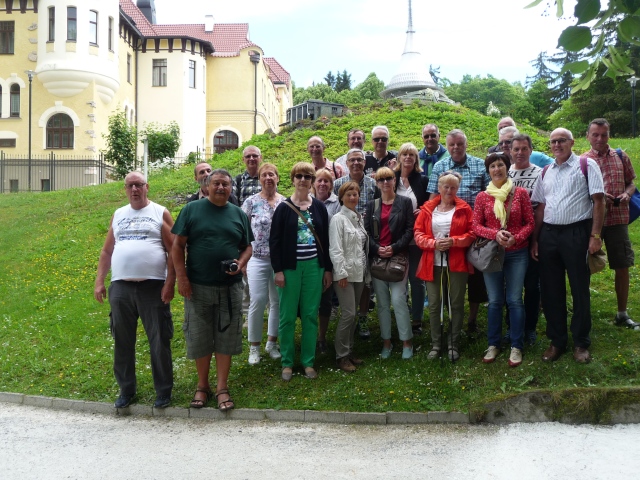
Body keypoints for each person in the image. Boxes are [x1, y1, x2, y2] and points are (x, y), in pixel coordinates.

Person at [172, 169, 253, 410]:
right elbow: (177, 246)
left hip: (230, 289)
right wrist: (182, 278)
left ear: (231, 188)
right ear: (206, 186)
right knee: (200, 337)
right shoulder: (191, 210)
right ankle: (202, 386)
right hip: (197, 287)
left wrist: (240, 263)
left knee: (226, 339)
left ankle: (222, 388)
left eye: (225, 185)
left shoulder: (238, 214)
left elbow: (247, 247)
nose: (221, 188)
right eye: (216, 184)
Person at [94, 171, 175, 409]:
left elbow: (174, 250)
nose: (134, 189)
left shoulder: (160, 212)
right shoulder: (118, 214)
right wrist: (100, 281)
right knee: (122, 340)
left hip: (153, 286)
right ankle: (126, 390)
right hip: (121, 287)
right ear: (125, 189)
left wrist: (170, 282)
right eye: (130, 186)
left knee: (159, 340)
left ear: (147, 187)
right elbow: (107, 251)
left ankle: (163, 391)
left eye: (138, 185)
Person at [531, 128, 605, 364]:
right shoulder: (546, 172)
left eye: (561, 140)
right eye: (553, 141)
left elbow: (599, 200)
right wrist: (535, 238)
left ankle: (581, 342)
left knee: (579, 288)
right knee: (551, 291)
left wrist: (595, 235)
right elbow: (541, 207)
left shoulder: (586, 165)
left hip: (577, 233)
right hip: (549, 235)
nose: (556, 145)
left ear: (572, 142)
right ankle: (557, 341)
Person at [270, 162, 332, 381]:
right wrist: (278, 270)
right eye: (299, 176)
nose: (303, 180)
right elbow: (274, 242)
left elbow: (325, 240)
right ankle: (287, 362)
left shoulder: (319, 208)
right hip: (289, 269)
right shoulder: (283, 208)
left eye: (308, 176)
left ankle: (308, 362)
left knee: (309, 315)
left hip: (314, 267)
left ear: (312, 180)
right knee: (287, 316)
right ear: (293, 179)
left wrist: (327, 270)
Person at [473, 152, 534, 367]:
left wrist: (515, 237)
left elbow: (530, 223)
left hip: (517, 253)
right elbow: (476, 225)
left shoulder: (520, 194)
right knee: (495, 300)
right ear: (488, 171)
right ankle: (494, 344)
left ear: (507, 167)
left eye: (500, 165)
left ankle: (516, 346)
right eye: (492, 166)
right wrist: (495, 234)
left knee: (515, 299)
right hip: (492, 254)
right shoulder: (482, 197)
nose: (497, 169)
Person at [428, 129, 490, 334]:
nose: (456, 148)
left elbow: (488, 198)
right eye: (452, 144)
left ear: (466, 144)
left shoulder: (480, 165)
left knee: (475, 279)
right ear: (447, 145)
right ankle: (449, 316)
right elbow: (432, 199)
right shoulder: (440, 166)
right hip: (446, 231)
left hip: (474, 231)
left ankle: (472, 318)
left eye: (460, 144)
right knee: (448, 276)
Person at [583, 118, 638, 330]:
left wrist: (626, 193)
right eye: (595, 134)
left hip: (618, 219)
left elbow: (631, 183)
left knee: (622, 265)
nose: (599, 139)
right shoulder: (583, 160)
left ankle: (622, 314)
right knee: (585, 265)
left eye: (603, 135)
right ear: (587, 136)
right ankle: (583, 311)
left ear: (609, 135)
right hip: (592, 220)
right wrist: (597, 196)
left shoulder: (621, 156)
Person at [414, 171, 475, 361]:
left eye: (453, 187)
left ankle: (453, 344)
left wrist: (454, 241)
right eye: (445, 186)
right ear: (439, 188)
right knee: (434, 305)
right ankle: (436, 344)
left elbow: (472, 234)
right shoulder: (427, 209)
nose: (449, 190)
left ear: (458, 188)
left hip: (456, 263)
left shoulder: (464, 209)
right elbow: (418, 234)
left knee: (455, 304)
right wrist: (433, 244)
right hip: (432, 263)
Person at [365, 167, 414, 359]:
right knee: (383, 303)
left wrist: (394, 247)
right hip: (377, 257)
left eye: (389, 178)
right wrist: (377, 248)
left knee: (398, 300)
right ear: (377, 183)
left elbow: (410, 230)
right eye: (381, 179)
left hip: (398, 256)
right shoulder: (372, 205)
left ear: (395, 181)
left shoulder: (405, 202)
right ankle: (386, 342)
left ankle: (407, 341)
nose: (385, 182)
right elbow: (366, 231)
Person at [241, 163, 285, 365]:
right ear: (259, 179)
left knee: (276, 302)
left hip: (278, 260)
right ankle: (254, 347)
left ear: (277, 178)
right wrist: (242, 258)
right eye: (264, 175)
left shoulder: (284, 202)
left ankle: (272, 343)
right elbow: (241, 230)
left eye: (272, 174)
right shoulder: (250, 202)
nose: (268, 178)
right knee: (258, 300)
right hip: (256, 258)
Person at [334, 148, 380, 339]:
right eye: (352, 160)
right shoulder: (338, 184)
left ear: (365, 162)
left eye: (359, 160)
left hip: (366, 238)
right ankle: (347, 317)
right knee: (349, 281)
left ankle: (362, 317)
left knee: (365, 283)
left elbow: (377, 210)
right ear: (346, 162)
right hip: (344, 238)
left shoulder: (372, 184)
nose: (355, 163)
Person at [329, 181, 370, 372]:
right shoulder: (338, 219)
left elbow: (361, 247)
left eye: (355, 194)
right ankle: (341, 355)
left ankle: (349, 351)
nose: (352, 197)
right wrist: (341, 272)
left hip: (359, 272)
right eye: (348, 195)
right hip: (344, 274)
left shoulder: (357, 218)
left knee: (353, 316)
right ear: (341, 197)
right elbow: (335, 249)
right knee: (348, 314)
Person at [508, 134, 544, 345]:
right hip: (509, 239)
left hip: (532, 235)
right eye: (516, 149)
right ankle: (511, 325)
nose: (520, 153)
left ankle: (529, 327)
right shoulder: (505, 173)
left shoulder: (540, 174)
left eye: (524, 148)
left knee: (531, 285)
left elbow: (541, 207)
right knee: (510, 286)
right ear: (510, 151)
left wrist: (536, 239)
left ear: (531, 150)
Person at [394, 142, 430, 335]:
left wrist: (422, 210)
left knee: (417, 279)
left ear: (416, 159)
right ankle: (401, 314)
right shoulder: (391, 179)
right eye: (404, 154)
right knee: (399, 278)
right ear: (399, 157)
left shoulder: (422, 180)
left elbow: (431, 205)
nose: (408, 157)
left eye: (412, 155)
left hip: (416, 238)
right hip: (397, 238)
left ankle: (417, 318)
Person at [313, 169, 341, 353]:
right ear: (313, 183)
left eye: (326, 181)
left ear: (331, 184)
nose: (322, 184)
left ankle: (321, 337)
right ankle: (310, 336)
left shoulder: (337, 204)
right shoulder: (304, 202)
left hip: (328, 256)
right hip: (308, 257)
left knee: (325, 300)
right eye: (319, 180)